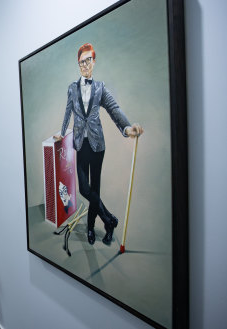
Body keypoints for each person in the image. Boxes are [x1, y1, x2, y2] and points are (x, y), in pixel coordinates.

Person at [55, 43, 143, 246]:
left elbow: (114, 109)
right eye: (81, 62)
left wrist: (128, 128)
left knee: (95, 188)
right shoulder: (72, 88)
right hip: (80, 144)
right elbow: (68, 112)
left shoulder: (100, 88)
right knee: (85, 189)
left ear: (93, 62)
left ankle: (91, 228)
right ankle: (110, 220)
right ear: (78, 64)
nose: (84, 65)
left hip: (97, 145)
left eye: (88, 60)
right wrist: (61, 134)